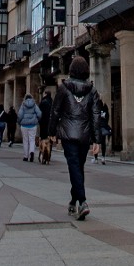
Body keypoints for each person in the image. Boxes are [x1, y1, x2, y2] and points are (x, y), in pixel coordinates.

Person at [53, 54, 105, 220]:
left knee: (75, 166)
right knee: (77, 166)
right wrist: (97, 140)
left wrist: (51, 132)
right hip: (84, 134)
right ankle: (77, 200)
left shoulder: (63, 88)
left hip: (68, 134)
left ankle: (80, 201)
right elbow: (96, 116)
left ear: (71, 70)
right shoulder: (92, 91)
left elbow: (55, 111)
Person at [16, 92, 41, 161]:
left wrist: (19, 122)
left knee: (25, 140)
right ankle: (31, 152)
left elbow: (20, 115)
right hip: (33, 125)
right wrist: (36, 120)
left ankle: (26, 156)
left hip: (24, 125)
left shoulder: (23, 105)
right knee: (32, 140)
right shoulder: (34, 105)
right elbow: (39, 113)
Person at [37, 85, 58, 164]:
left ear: (45, 94)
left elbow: (39, 114)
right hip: (51, 125)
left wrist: (39, 122)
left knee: (43, 140)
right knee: (49, 142)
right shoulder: (53, 102)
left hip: (43, 124)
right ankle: (48, 156)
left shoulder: (43, 102)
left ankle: (43, 154)